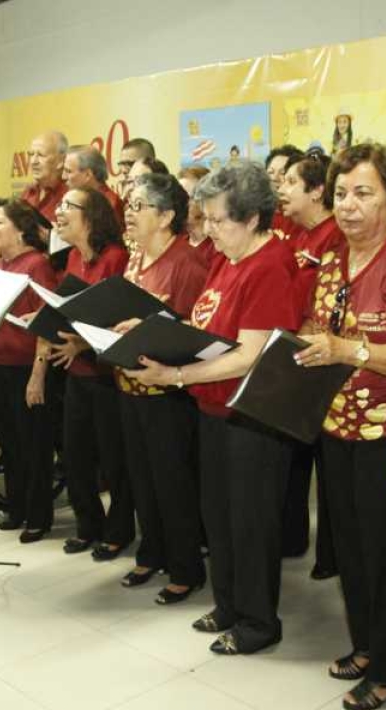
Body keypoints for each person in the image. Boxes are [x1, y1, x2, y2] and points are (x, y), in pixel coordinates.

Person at [125, 160, 301, 655]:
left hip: (252, 419)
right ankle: (228, 604)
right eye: (205, 219)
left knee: (250, 522)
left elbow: (248, 357)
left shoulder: (269, 266)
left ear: (251, 218)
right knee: (219, 517)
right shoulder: (228, 257)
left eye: (219, 220)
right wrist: (149, 332)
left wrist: (174, 375)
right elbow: (206, 328)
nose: (209, 231)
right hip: (213, 412)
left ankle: (258, 621)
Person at [297, 142, 386, 710]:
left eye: (364, 193)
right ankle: (365, 646)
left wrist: (346, 350)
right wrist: (312, 341)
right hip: (335, 427)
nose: (349, 206)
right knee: (350, 551)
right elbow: (319, 323)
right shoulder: (332, 259)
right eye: (340, 194)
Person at [112, 173, 209, 601]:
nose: (129, 214)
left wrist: (152, 330)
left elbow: (197, 332)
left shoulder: (186, 263)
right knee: (142, 478)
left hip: (170, 392)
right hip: (128, 384)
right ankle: (151, 551)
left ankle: (186, 567)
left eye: (139, 206)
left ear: (167, 215)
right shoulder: (133, 259)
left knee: (173, 483)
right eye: (128, 205)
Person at [47, 187, 136, 555]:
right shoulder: (70, 258)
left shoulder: (116, 257)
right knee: (75, 454)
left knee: (114, 459)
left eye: (68, 206)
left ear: (92, 215)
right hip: (77, 372)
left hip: (107, 373)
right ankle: (88, 524)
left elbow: (118, 318)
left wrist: (82, 344)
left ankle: (118, 530)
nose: (59, 212)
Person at [0, 199, 58, 542]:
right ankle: (16, 508)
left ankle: (38, 516)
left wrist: (38, 376)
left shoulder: (36, 265)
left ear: (20, 229)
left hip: (27, 369)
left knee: (34, 445)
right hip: (1, 367)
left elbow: (46, 325)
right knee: (10, 443)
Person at [276, 150, 342, 571]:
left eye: (288, 183)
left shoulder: (335, 236)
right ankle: (297, 539)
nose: (280, 191)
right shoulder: (297, 237)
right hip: (296, 355)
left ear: (317, 191)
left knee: (330, 468)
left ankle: (331, 555)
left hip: (329, 358)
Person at [63, 145, 124, 222]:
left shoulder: (110, 205)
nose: (63, 177)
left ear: (88, 175)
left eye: (68, 171)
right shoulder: (80, 199)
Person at [21, 130, 69, 224]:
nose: (33, 161)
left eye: (40, 155)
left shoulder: (69, 195)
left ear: (60, 161)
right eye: (31, 154)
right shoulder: (29, 192)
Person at [265, 145, 305, 241]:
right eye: (271, 172)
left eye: (283, 173)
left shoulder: (301, 218)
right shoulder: (257, 215)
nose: (275, 178)